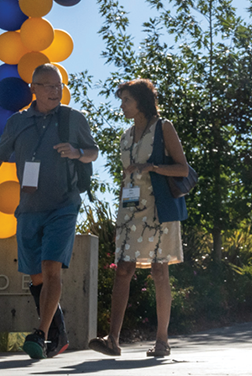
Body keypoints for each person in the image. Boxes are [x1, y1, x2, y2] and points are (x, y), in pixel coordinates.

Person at [0, 63, 98, 359]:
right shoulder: (17, 123)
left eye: (59, 86)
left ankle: (40, 333)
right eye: (48, 86)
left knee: (52, 268)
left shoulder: (73, 119)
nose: (55, 91)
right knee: (36, 276)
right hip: (28, 208)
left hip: (63, 205)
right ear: (33, 89)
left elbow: (93, 151)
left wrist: (78, 153)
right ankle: (57, 332)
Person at [88, 79, 189, 358]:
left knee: (159, 271)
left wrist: (152, 167)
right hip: (130, 211)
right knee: (122, 269)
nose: (121, 106)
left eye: (126, 100)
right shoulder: (125, 135)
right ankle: (113, 340)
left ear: (141, 102)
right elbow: (126, 173)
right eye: (121, 100)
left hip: (159, 209)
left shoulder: (163, 127)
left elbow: (182, 169)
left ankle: (162, 341)